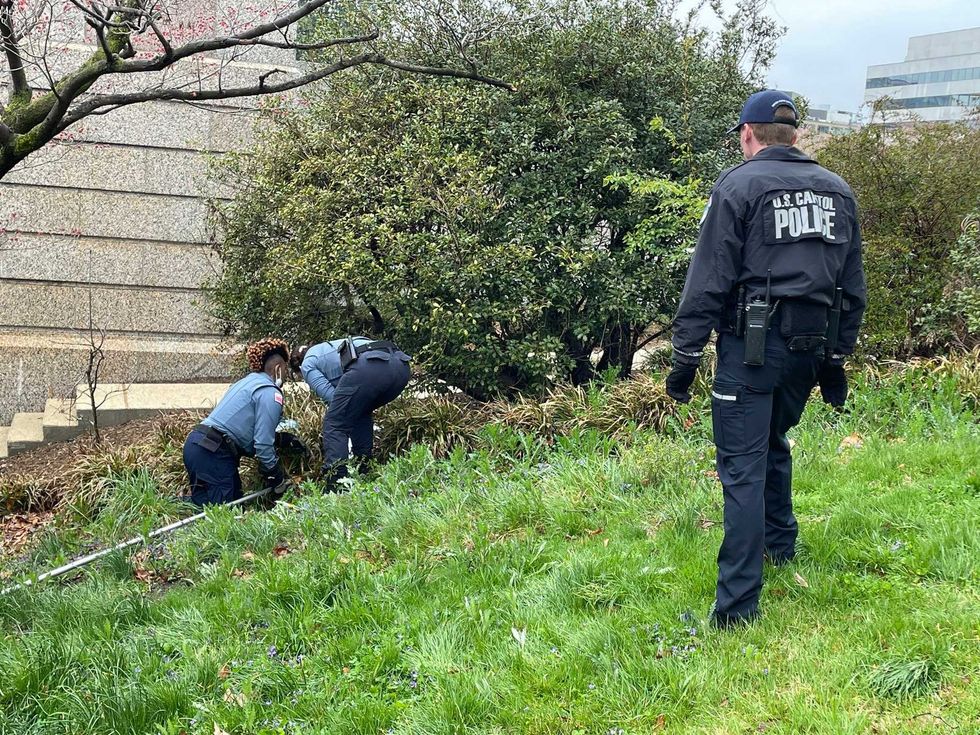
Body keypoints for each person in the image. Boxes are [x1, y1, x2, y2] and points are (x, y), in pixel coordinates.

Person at [665, 90, 866, 628]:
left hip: (751, 353)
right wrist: (837, 356)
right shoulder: (837, 191)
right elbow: (852, 287)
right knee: (773, 441)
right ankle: (780, 546)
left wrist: (684, 358)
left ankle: (735, 608)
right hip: (809, 353)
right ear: (794, 135)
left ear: (748, 135)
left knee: (742, 467)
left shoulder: (739, 185)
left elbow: (708, 279)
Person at [183, 339, 296, 506]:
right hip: (214, 453)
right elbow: (263, 444)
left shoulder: (246, 383)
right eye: (285, 368)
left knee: (219, 506)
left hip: (198, 445)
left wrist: (280, 439)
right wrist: (276, 475)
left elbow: (238, 426)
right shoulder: (270, 393)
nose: (287, 373)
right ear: (279, 368)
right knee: (222, 515)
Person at [290, 336, 411, 487]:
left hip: (368, 368)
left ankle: (336, 483)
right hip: (401, 366)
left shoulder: (307, 364)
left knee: (334, 423)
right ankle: (364, 470)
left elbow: (333, 399)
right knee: (360, 411)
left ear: (298, 368)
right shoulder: (326, 347)